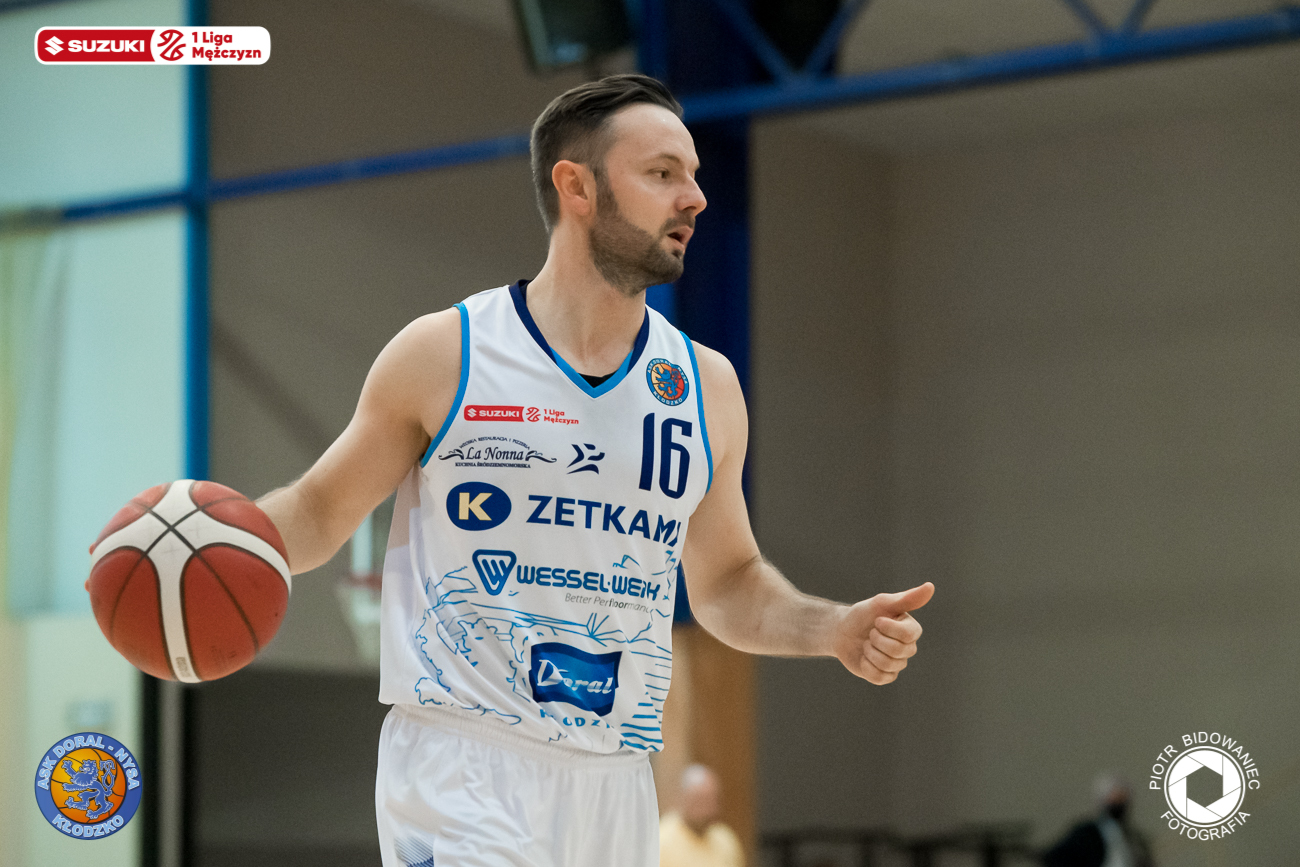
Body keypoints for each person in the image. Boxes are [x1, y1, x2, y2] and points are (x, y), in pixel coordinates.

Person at [257, 73, 934, 867]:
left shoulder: (706, 386)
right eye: (662, 173)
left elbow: (726, 581)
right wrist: (208, 537)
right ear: (576, 187)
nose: (695, 198)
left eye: (694, 175)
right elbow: (317, 511)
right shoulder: (447, 353)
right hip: (466, 763)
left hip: (618, 780)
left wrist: (832, 628)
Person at [1042, 775, 1154, 867]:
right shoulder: (1086, 833)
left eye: (1122, 799)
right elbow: (1057, 857)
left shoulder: (1133, 837)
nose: (1119, 803)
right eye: (1115, 798)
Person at [659, 764, 744, 867]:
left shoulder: (726, 839)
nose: (709, 810)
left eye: (713, 801)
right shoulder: (660, 841)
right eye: (701, 802)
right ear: (683, 799)